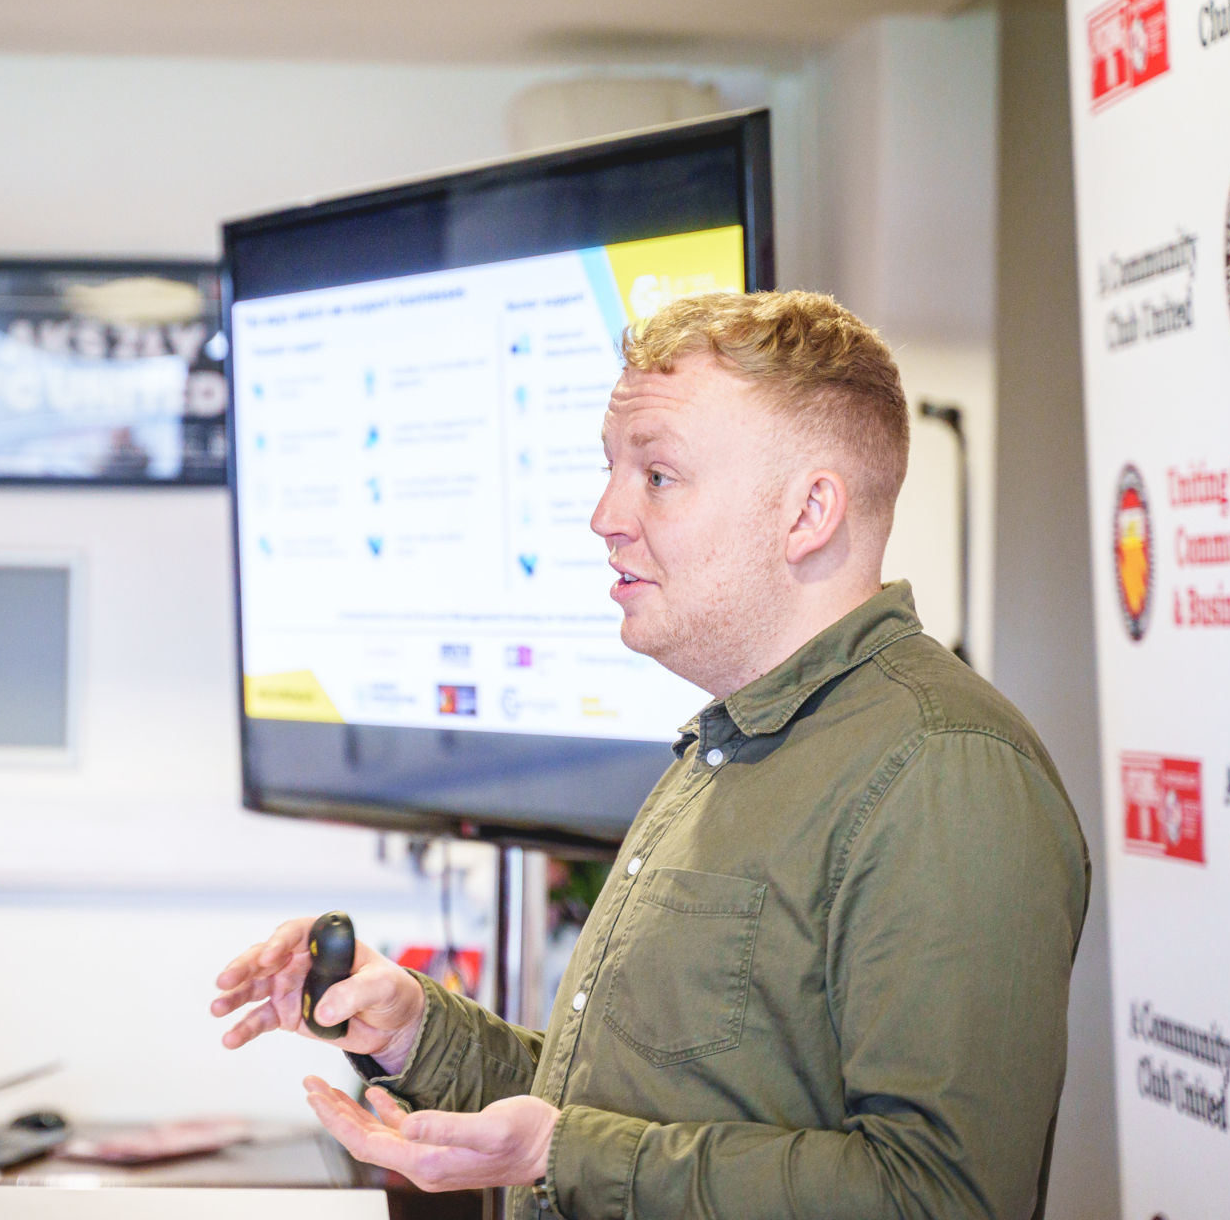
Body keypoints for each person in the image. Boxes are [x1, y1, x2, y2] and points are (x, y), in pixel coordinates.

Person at [212, 291, 1090, 1220]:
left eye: (658, 476)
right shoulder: (731, 746)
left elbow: (940, 1198)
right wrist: (417, 1033)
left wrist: (565, 1155)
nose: (605, 515)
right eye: (611, 470)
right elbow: (612, 1114)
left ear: (809, 512)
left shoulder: (945, 769)